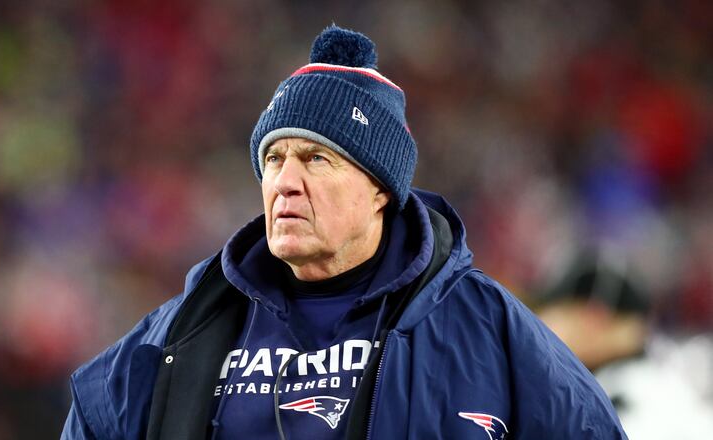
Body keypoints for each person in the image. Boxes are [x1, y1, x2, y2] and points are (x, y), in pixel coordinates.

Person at [61, 25, 626, 440]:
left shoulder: (491, 330)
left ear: (380, 189)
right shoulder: (182, 330)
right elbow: (91, 415)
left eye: (316, 159)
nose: (286, 181)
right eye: (274, 158)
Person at [536, 251, 713, 440]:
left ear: (593, 318)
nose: (542, 324)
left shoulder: (631, 399)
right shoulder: (645, 384)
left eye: (557, 312)